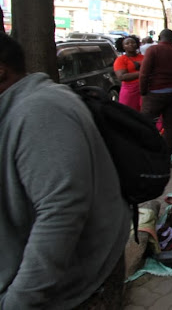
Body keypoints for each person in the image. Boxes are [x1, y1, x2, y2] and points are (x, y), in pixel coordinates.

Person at [0, 34, 130, 308]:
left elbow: (61, 211)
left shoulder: (39, 111)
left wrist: (19, 301)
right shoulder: (28, 107)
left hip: (69, 290)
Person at [140, 29, 172, 153]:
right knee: (170, 126)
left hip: (154, 94)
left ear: (159, 37)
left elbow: (143, 74)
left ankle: (149, 154)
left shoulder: (152, 50)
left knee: (147, 124)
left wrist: (143, 91)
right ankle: (166, 157)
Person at [113, 34, 144, 111]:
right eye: (127, 43)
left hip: (144, 90)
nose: (131, 45)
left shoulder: (144, 57)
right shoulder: (120, 60)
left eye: (133, 42)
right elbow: (122, 76)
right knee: (129, 114)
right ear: (123, 47)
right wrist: (142, 73)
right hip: (129, 92)